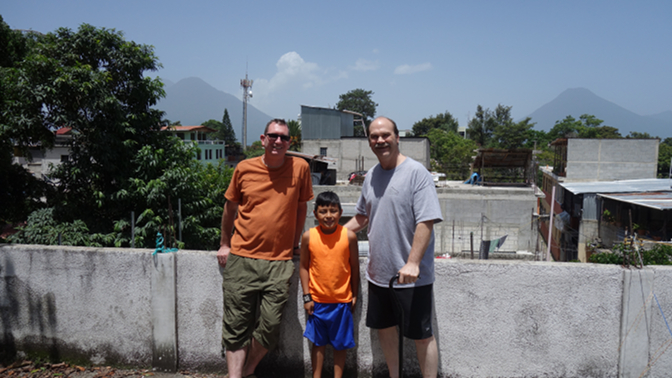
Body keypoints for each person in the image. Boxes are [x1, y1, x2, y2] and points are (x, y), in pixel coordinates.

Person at [344, 116, 443, 378]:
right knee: (385, 328)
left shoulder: (416, 173)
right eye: (374, 137)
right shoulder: (371, 176)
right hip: (378, 275)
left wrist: (412, 262)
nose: (380, 140)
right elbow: (362, 217)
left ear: (397, 137)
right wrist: (327, 236)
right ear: (369, 142)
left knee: (421, 336)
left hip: (412, 278)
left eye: (386, 135)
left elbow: (426, 220)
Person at [217, 118, 314, 378]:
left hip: (279, 261)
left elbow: (302, 207)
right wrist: (225, 243)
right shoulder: (244, 168)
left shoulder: (300, 168)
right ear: (263, 139)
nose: (278, 141)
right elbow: (230, 208)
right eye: (273, 136)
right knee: (236, 324)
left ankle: (248, 369)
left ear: (290, 142)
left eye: (283, 137)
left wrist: (295, 242)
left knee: (270, 325)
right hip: (241, 257)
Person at [299, 191, 360, 378]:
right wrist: (307, 296)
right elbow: (303, 267)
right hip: (317, 302)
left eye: (333, 211)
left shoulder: (349, 236)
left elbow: (354, 268)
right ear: (315, 213)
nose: (328, 216)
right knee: (318, 343)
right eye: (323, 211)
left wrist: (354, 294)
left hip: (342, 301)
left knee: (340, 343)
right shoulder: (308, 236)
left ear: (340, 213)